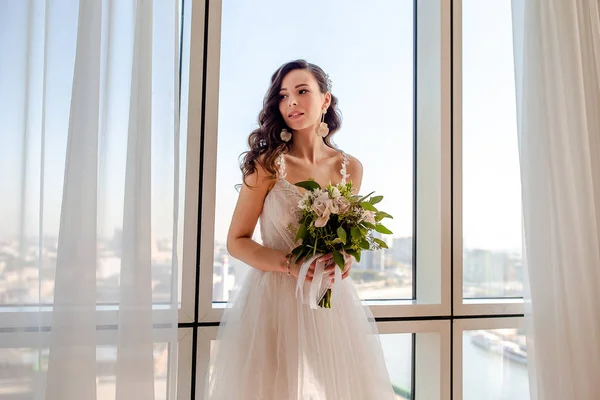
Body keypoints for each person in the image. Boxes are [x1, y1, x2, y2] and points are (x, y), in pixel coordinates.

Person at [207, 60, 395, 399]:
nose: (291, 102)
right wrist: (288, 264)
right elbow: (236, 242)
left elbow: (343, 233)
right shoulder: (267, 165)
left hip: (328, 298)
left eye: (302, 91)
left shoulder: (349, 167)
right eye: (283, 95)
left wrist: (346, 257)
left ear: (325, 100)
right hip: (273, 300)